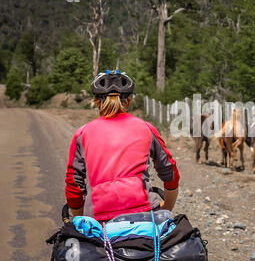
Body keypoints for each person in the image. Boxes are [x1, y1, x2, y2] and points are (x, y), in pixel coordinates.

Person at [64, 70, 180, 222]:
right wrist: (167, 209)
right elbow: (170, 172)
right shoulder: (146, 128)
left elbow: (74, 185)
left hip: (98, 219)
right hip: (145, 213)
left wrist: (81, 221)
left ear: (97, 102)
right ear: (129, 101)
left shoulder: (82, 134)